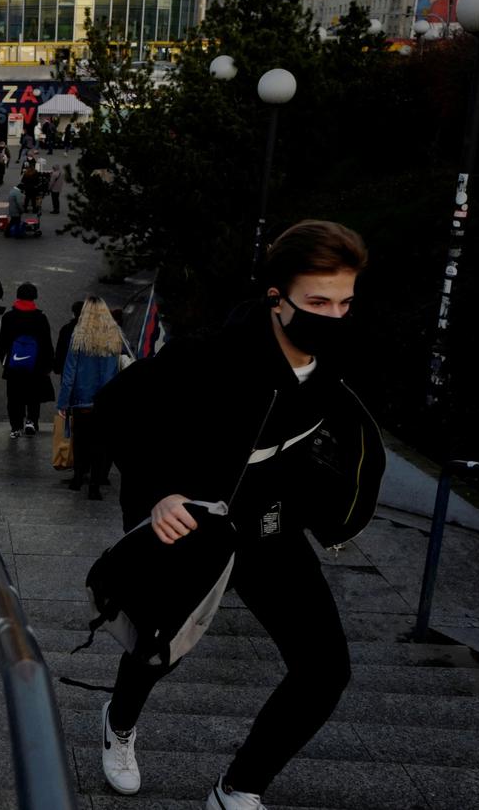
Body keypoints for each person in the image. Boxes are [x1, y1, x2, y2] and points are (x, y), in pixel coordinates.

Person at [91, 220, 377, 810]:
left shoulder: (340, 355)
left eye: (345, 302)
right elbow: (116, 407)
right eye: (317, 301)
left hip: (270, 524)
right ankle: (119, 722)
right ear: (278, 300)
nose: (333, 314)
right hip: (195, 516)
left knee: (325, 670)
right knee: (158, 641)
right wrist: (160, 492)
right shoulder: (209, 355)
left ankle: (239, 786)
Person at [57, 297, 125, 498]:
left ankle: (78, 479)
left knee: (80, 440)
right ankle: (95, 485)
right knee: (101, 443)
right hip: (106, 400)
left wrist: (63, 402)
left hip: (81, 399)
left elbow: (69, 372)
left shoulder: (79, 337)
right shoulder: (114, 336)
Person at [0, 282, 55, 439]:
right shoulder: (40, 318)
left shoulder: (8, 317)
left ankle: (16, 427)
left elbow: (1, 343)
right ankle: (31, 421)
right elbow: (47, 343)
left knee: (14, 396)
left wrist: (5, 360)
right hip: (35, 365)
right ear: (34, 297)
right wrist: (48, 364)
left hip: (14, 365)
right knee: (33, 395)